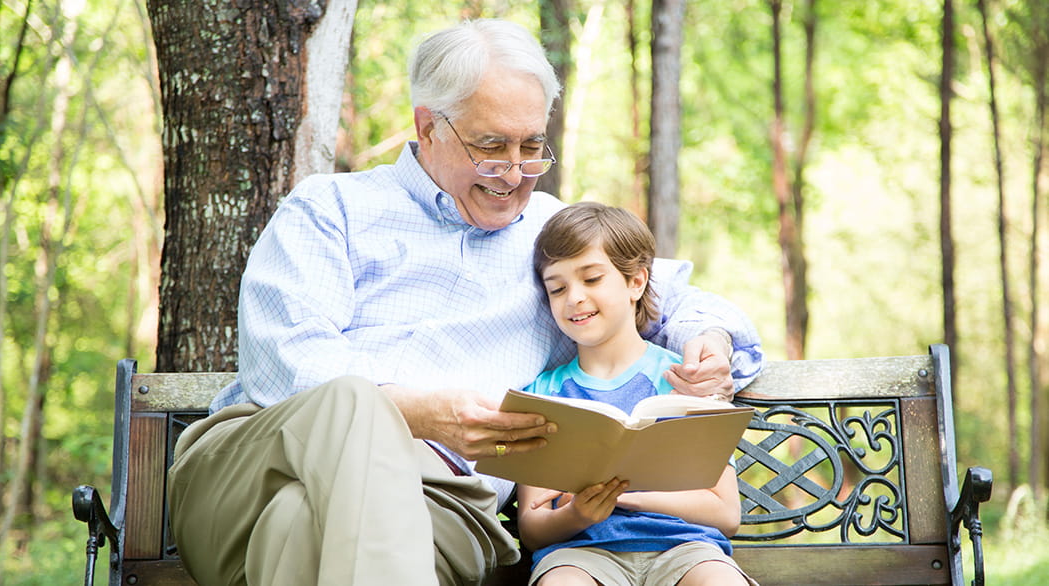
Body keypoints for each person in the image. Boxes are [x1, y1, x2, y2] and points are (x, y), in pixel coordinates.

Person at [166, 18, 763, 586]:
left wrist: (702, 340)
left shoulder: (557, 241)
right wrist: (413, 412)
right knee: (350, 405)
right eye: (491, 146)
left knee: (301, 524)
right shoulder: (330, 210)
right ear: (428, 127)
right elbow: (285, 360)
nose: (514, 172)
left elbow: (671, 294)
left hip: (436, 502)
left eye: (532, 145)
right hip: (255, 472)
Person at [516, 202, 758, 586]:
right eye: (557, 288)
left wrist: (626, 496)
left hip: (686, 550)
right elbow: (532, 528)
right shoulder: (543, 395)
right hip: (580, 556)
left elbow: (726, 514)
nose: (573, 297)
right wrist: (578, 514)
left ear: (636, 282)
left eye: (592, 279)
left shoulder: (688, 382)